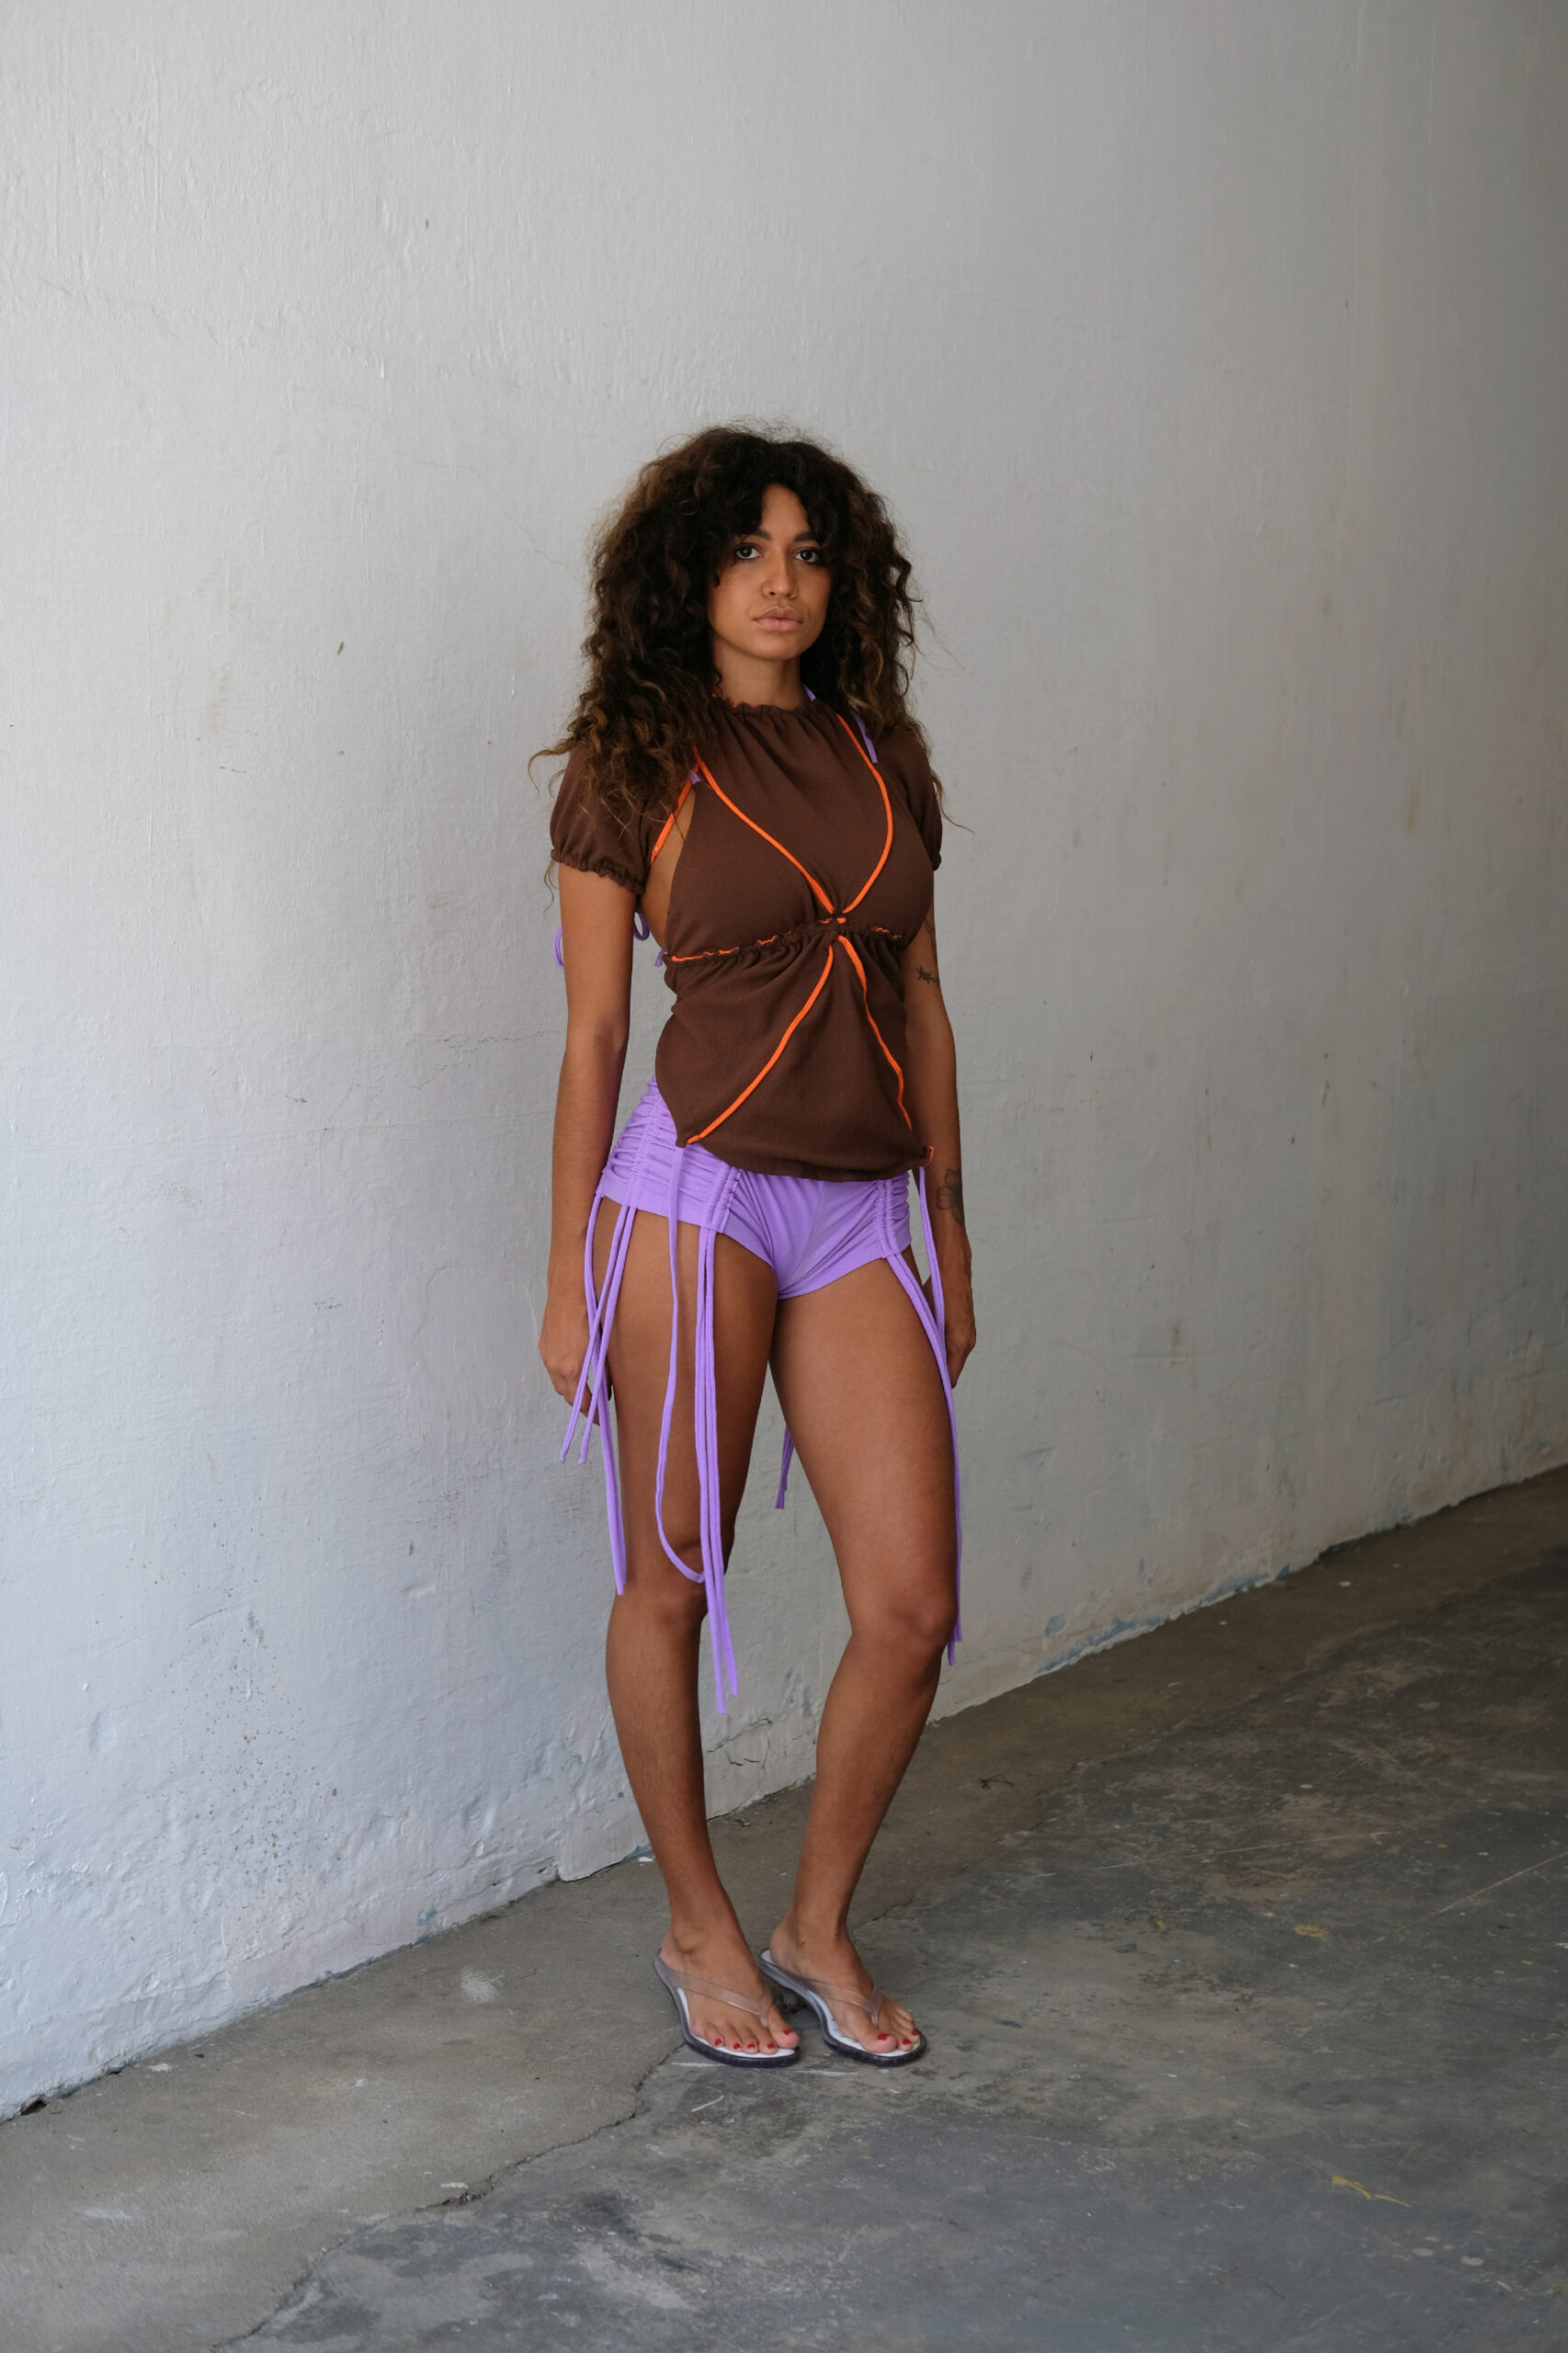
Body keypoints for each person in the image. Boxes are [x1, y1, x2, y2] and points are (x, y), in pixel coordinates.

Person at [538, 426, 975, 2069]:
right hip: (693, 1195)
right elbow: (594, 1035)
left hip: (859, 1208)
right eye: (744, 552)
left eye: (806, 552)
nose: (779, 582)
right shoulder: (631, 765)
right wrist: (568, 1271)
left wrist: (948, 1231)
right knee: (669, 1577)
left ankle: (814, 1925)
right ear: (689, 577)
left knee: (911, 1608)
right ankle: (697, 1920)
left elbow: (920, 997)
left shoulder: (883, 757)